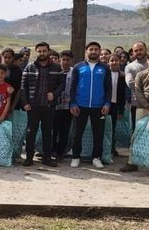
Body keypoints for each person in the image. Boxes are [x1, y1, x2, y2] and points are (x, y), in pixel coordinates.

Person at [69, 42, 112, 170]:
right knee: (77, 133)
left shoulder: (104, 68)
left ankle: (96, 158)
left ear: (99, 51)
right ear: (86, 51)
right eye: (91, 49)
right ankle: (76, 157)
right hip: (80, 106)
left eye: (96, 49)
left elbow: (108, 88)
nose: (93, 52)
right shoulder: (78, 67)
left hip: (99, 107)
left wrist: (107, 103)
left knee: (98, 133)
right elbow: (72, 86)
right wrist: (72, 103)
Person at [21, 42, 64, 167]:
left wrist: (54, 94)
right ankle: (29, 158)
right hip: (33, 106)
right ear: (36, 52)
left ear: (48, 51)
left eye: (44, 51)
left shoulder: (56, 67)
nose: (42, 53)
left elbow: (62, 85)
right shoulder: (30, 67)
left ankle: (47, 158)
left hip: (49, 106)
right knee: (31, 132)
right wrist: (25, 103)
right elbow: (23, 87)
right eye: (39, 51)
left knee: (47, 133)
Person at [52, 50, 75, 162]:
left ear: (71, 61)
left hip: (67, 106)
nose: (65, 62)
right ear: (60, 60)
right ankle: (52, 150)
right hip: (54, 106)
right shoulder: (55, 72)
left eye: (68, 60)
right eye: (63, 60)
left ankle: (61, 153)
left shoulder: (74, 73)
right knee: (53, 130)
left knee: (64, 131)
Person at [107, 53, 127, 156]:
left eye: (116, 60)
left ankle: (112, 148)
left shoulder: (123, 76)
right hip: (105, 105)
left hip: (116, 105)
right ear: (108, 62)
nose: (114, 62)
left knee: (113, 128)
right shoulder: (105, 74)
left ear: (120, 62)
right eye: (112, 60)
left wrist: (121, 110)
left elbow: (123, 95)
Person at [124, 42, 148, 131]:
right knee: (136, 130)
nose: (139, 52)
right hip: (137, 104)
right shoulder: (130, 67)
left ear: (146, 49)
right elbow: (130, 83)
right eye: (136, 50)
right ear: (133, 53)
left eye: (141, 49)